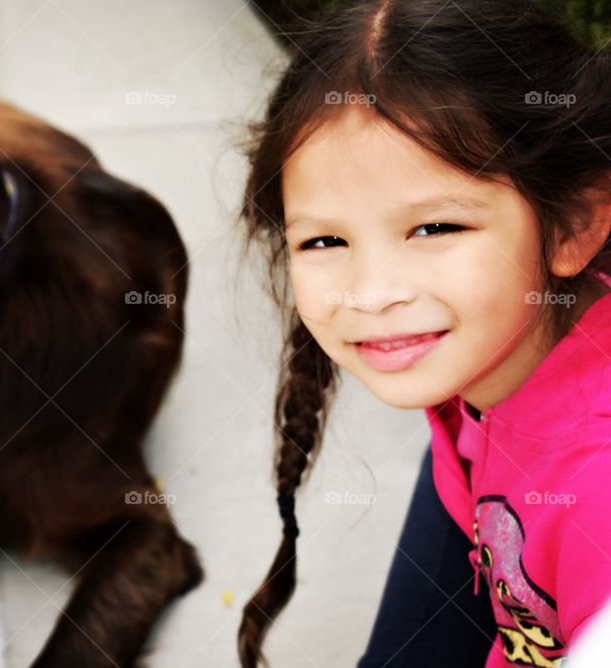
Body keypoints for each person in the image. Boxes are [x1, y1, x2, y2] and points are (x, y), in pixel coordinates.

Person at [235, 1, 611, 666]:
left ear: (578, 222)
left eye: (436, 228)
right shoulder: (483, 368)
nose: (373, 292)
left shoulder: (596, 496)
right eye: (324, 240)